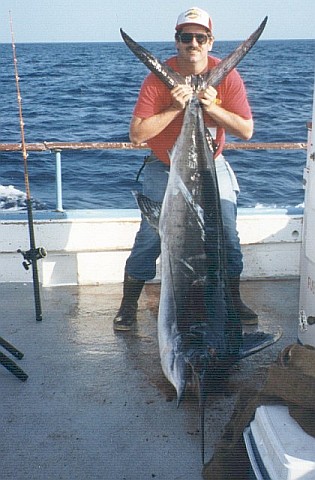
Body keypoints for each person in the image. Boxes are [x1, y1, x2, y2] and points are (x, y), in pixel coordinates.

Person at [114, 7, 258, 331]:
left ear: (210, 41)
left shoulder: (226, 75)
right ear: (177, 41)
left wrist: (212, 107)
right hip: (164, 166)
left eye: (200, 37)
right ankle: (128, 305)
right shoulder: (157, 78)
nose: (193, 43)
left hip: (211, 165)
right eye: (186, 36)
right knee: (152, 235)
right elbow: (137, 134)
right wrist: (175, 106)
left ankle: (232, 298)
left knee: (227, 234)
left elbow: (246, 130)